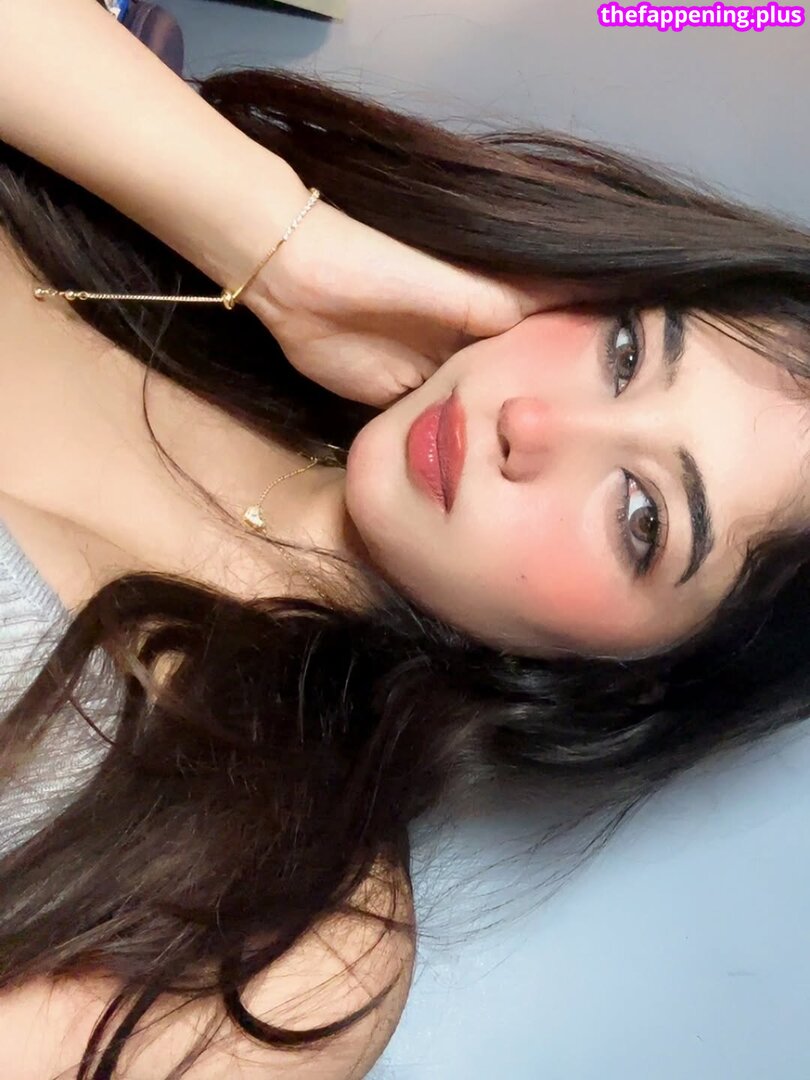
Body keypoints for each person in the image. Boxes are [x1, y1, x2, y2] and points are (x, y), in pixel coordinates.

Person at [1, 1, 809, 1077]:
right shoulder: (177, 237)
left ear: (635, 677)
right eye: (624, 352)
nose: (536, 425)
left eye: (642, 518)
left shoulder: (291, 941)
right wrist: (276, 245)